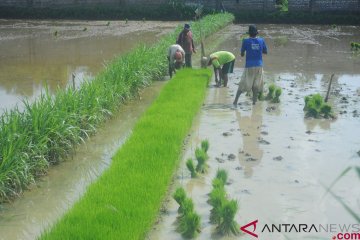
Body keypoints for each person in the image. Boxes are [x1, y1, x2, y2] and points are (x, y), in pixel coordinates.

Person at [233, 24, 267, 105]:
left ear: (249, 33)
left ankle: (235, 101)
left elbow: (242, 54)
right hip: (259, 65)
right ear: (256, 33)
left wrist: (246, 51)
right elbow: (265, 52)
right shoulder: (261, 40)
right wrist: (257, 49)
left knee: (244, 83)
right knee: (256, 85)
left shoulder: (245, 41)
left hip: (249, 66)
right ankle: (254, 103)